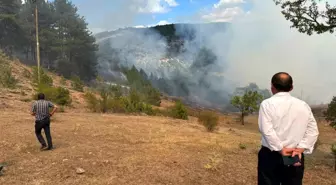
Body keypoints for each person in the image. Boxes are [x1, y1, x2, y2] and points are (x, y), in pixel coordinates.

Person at [257, 72, 319, 185]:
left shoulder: (267, 104)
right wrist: (301, 148)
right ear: (291, 87)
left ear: (272, 87)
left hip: (271, 155)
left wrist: (280, 149)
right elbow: (313, 131)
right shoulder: (303, 105)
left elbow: (266, 130)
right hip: (294, 155)